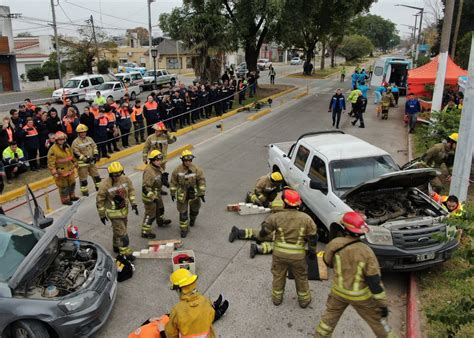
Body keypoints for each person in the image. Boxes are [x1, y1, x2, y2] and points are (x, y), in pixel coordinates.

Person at [315, 212, 395, 338]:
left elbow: (327, 261)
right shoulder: (366, 252)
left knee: (328, 320)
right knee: (378, 322)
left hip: (338, 292)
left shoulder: (334, 244)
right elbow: (374, 282)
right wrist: (382, 304)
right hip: (361, 297)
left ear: (345, 228)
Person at [258, 189, 317, 308]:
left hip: (279, 255)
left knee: (278, 276)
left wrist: (260, 237)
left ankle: (277, 299)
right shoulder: (306, 219)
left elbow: (264, 232)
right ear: (298, 204)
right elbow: (313, 237)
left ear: (284, 203)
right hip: (298, 257)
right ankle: (304, 301)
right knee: (301, 277)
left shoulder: (276, 217)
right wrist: (312, 251)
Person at [96, 161, 138, 258]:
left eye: (119, 173)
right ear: (110, 174)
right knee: (123, 233)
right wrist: (102, 215)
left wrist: (133, 203)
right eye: (114, 174)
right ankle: (125, 253)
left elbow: (131, 191)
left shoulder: (126, 180)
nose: (117, 176)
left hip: (124, 211)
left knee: (118, 230)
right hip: (114, 214)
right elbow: (100, 201)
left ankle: (116, 245)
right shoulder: (105, 185)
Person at [165, 269, 217, 337]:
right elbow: (211, 317)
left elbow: (171, 333)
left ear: (179, 290)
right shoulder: (206, 301)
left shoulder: (177, 310)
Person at [170, 150, 206, 238]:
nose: (188, 162)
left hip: (194, 191)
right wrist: (172, 192)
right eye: (186, 161)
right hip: (182, 192)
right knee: (183, 213)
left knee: (195, 209)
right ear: (182, 160)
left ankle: (193, 219)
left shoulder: (196, 169)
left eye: (190, 160)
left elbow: (201, 180)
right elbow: (173, 182)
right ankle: (184, 229)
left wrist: (201, 192)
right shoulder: (177, 170)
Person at [141, 150, 172, 239]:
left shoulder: (158, 167)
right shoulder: (149, 172)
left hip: (157, 193)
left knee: (160, 209)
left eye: (160, 159)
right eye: (157, 160)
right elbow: (145, 187)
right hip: (149, 197)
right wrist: (152, 197)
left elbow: (159, 177)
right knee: (150, 215)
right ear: (152, 160)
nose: (159, 161)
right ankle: (145, 231)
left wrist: (165, 182)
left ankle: (160, 221)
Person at [47, 131, 78, 205]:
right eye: (60, 140)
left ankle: (72, 196)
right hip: (61, 172)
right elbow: (51, 163)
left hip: (70, 169)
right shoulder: (53, 150)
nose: (62, 141)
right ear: (56, 140)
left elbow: (71, 156)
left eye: (63, 139)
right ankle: (65, 200)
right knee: (63, 187)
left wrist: (75, 162)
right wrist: (54, 173)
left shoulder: (67, 146)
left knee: (72, 183)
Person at [71, 124, 101, 197]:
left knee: (96, 176)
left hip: (92, 162)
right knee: (83, 179)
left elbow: (94, 146)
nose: (83, 133)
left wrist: (96, 155)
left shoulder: (89, 139)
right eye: (81, 132)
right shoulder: (75, 142)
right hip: (82, 164)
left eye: (84, 132)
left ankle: (99, 187)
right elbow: (76, 153)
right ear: (78, 133)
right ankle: (84, 191)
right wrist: (85, 159)